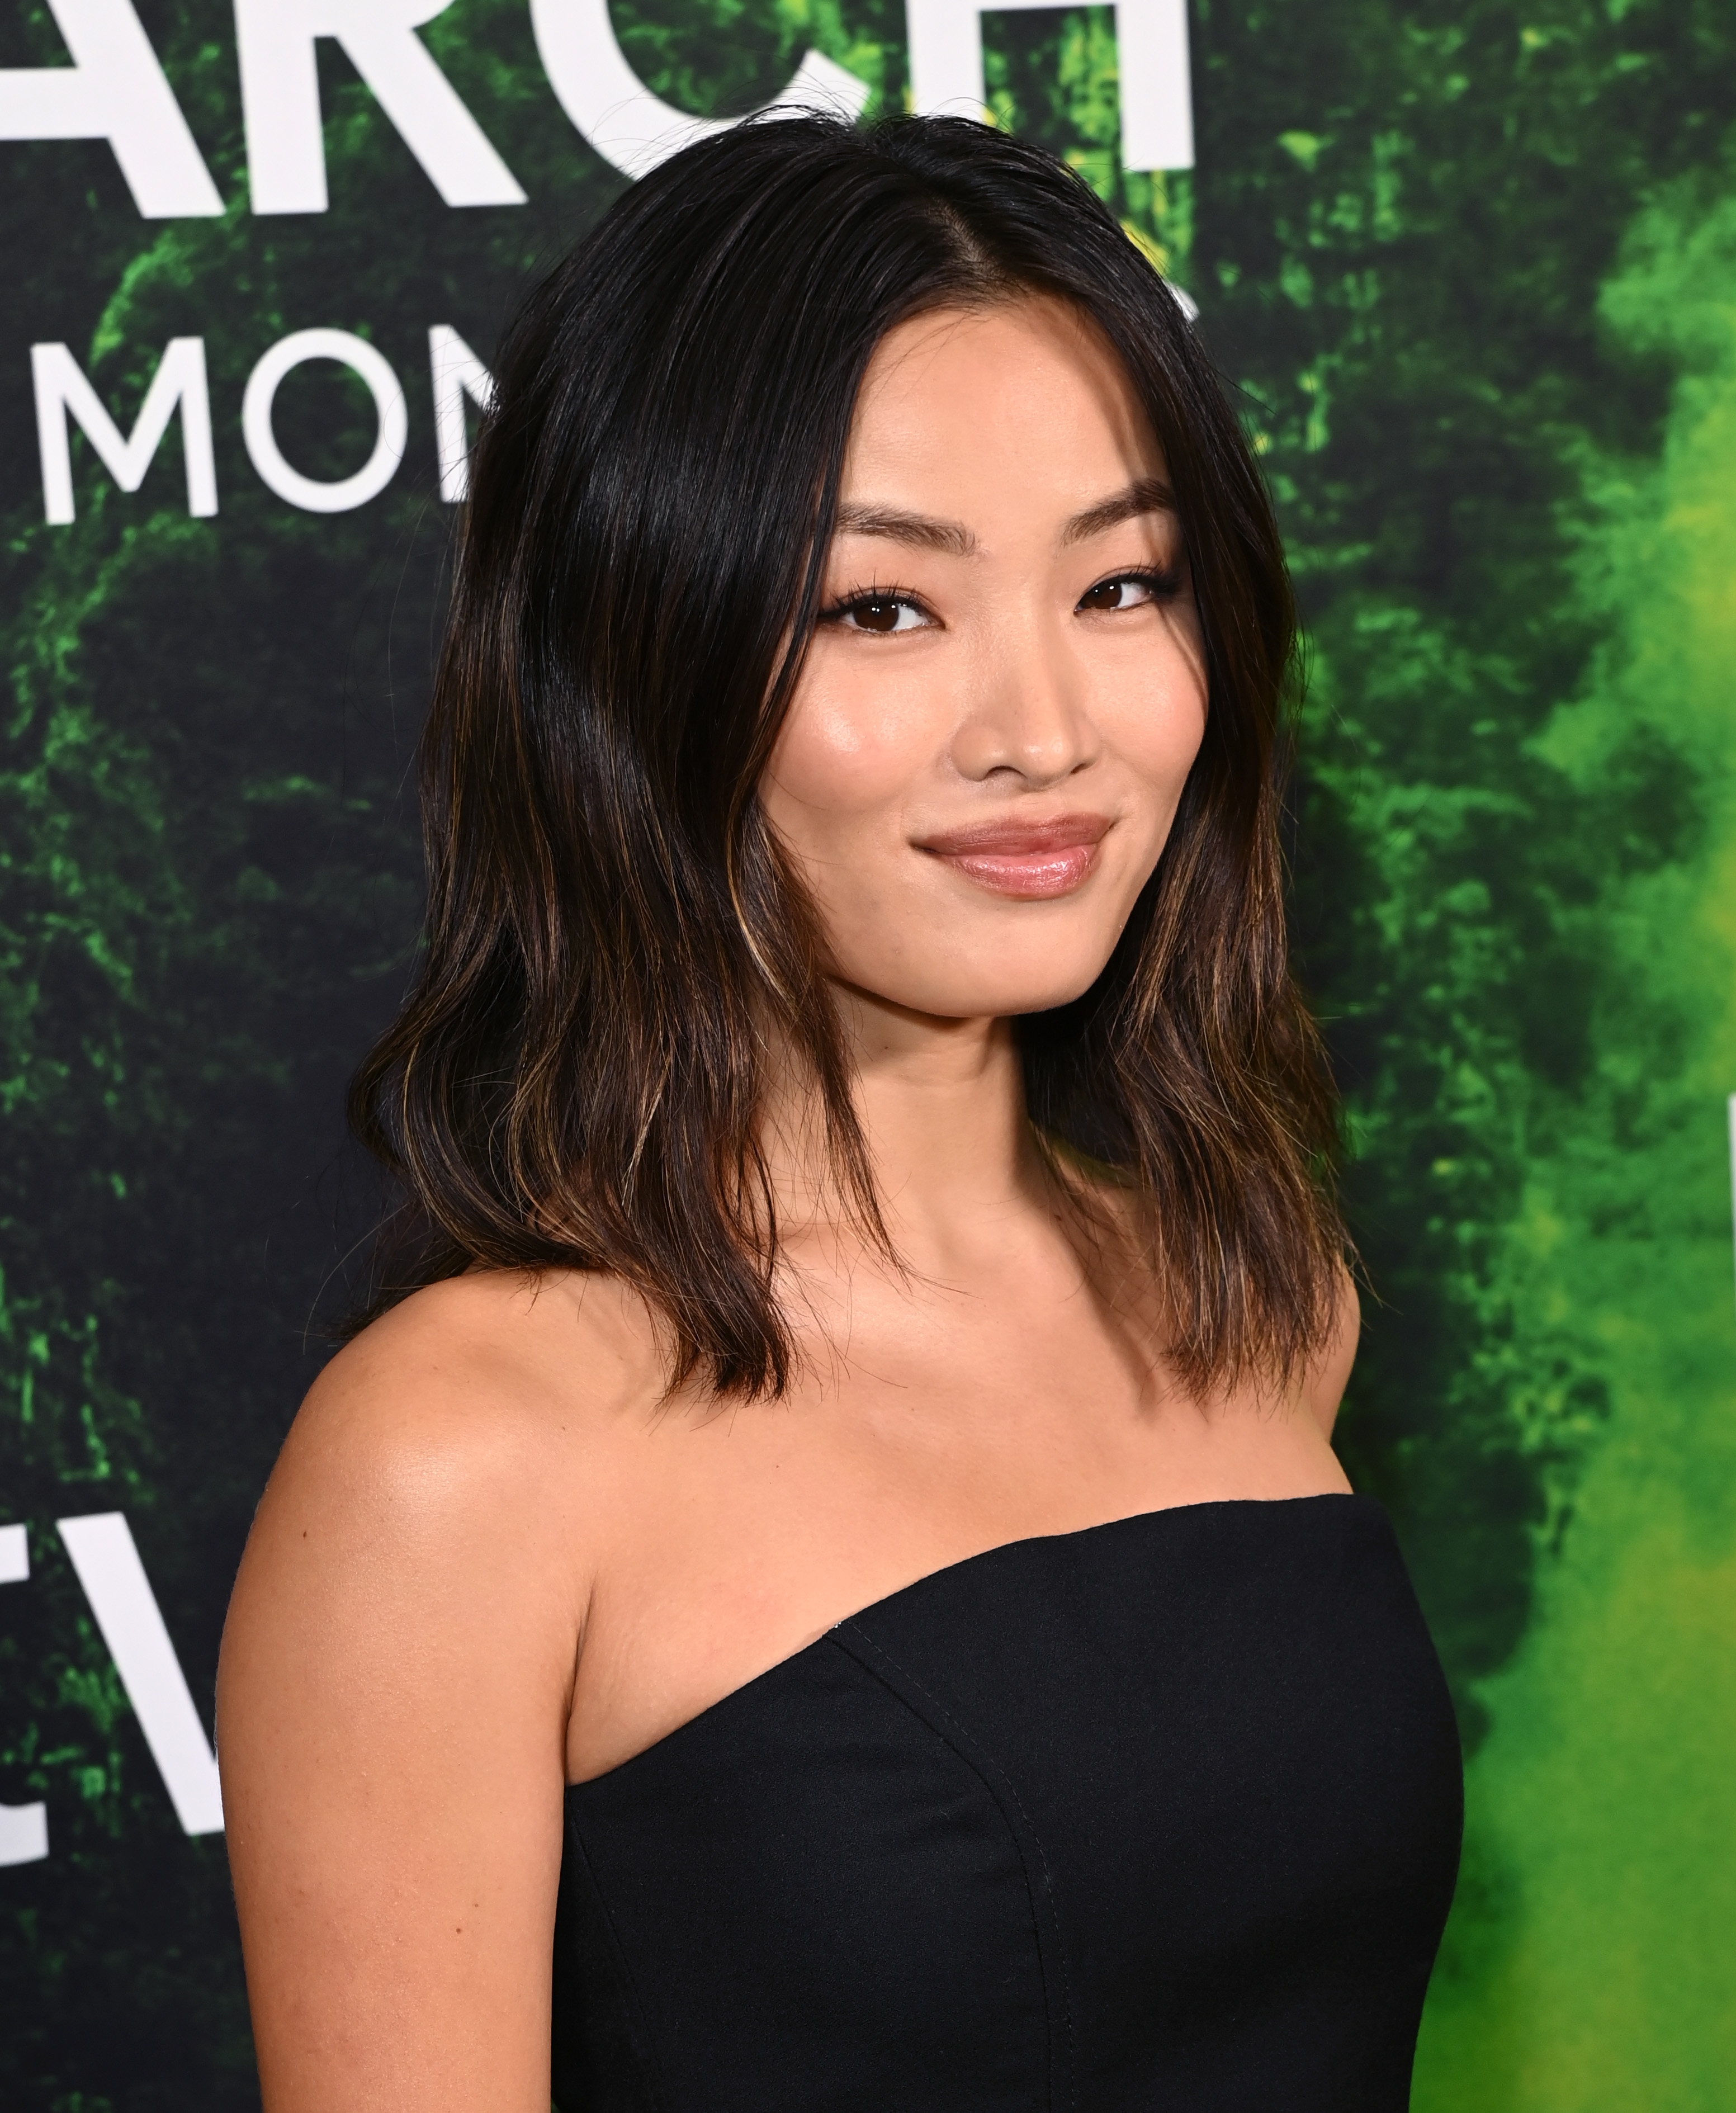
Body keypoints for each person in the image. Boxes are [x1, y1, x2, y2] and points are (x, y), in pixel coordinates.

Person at [216, 113, 1462, 2112]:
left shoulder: (1248, 1281)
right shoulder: (458, 1465)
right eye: (882, 608)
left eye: (1124, 585)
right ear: (635, 663)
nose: (1043, 729)